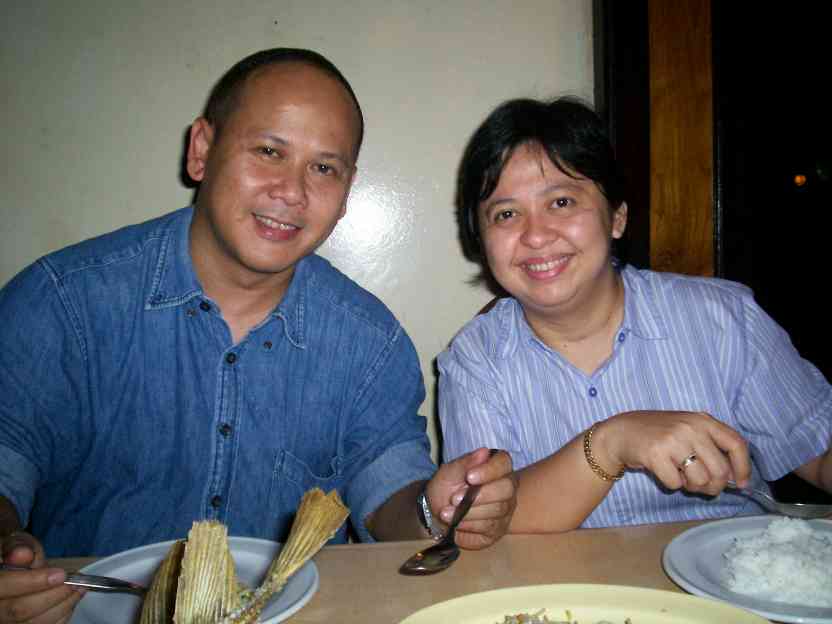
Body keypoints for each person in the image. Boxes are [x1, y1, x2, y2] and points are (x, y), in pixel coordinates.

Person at [0, 48, 517, 622]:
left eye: (324, 168)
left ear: (347, 192)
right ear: (202, 149)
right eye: (269, 151)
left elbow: (388, 493)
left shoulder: (368, 342)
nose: (292, 191)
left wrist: (435, 508)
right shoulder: (63, 302)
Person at [438, 96, 831, 534]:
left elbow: (819, 449)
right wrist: (610, 443)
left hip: (730, 565)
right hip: (565, 578)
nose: (536, 235)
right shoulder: (475, 359)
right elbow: (484, 522)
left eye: (562, 202)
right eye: (506, 214)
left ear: (617, 217)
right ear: (481, 240)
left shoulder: (724, 319)